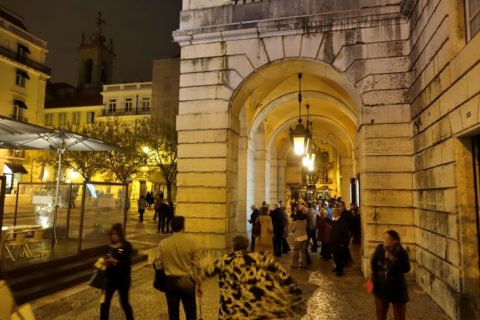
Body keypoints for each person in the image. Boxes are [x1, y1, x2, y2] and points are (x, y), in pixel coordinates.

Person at [205, 235, 305, 319]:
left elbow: (206, 272)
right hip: (254, 310)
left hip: (231, 310)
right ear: (247, 246)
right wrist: (297, 301)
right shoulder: (261, 258)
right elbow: (286, 279)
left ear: (233, 247)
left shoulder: (225, 260)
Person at [156, 216, 201, 320]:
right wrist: (199, 285)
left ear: (172, 227)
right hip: (187, 281)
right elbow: (197, 266)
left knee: (173, 312)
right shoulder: (191, 244)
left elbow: (159, 264)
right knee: (190, 311)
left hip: (170, 282)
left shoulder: (163, 243)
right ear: (183, 227)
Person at [371, 230, 410, 320]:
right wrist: (375, 277)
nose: (385, 240)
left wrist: (393, 258)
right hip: (382, 285)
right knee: (381, 313)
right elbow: (373, 263)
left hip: (397, 286)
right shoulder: (380, 249)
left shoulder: (401, 252)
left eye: (388, 238)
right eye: (384, 238)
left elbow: (406, 268)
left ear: (395, 240)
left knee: (399, 315)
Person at [100, 223, 134, 320]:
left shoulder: (127, 246)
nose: (114, 236)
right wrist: (103, 263)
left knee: (124, 303)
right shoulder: (109, 247)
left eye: (116, 234)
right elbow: (105, 258)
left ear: (120, 234)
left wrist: (114, 261)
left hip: (123, 280)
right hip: (110, 279)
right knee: (104, 303)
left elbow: (127, 263)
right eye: (112, 234)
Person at [330, 208, 349, 276]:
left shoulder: (342, 222)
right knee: (335, 257)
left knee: (339, 258)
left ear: (337, 213)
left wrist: (344, 243)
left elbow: (346, 234)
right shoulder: (334, 220)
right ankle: (337, 268)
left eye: (333, 212)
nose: (332, 214)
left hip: (339, 243)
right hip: (334, 242)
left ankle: (340, 271)